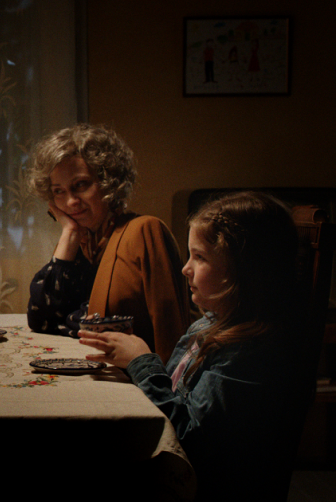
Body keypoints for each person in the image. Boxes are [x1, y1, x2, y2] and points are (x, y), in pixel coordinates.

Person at [78, 191, 316, 500]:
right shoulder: (206, 326)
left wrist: (142, 362)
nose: (185, 268)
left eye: (200, 257)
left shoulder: (248, 350)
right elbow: (176, 398)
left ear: (245, 271)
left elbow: (190, 439)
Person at [26, 124, 189, 363]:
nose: (70, 202)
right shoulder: (79, 244)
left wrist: (162, 387)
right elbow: (41, 321)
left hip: (139, 378)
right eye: (58, 191)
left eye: (80, 185)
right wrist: (69, 234)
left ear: (108, 182)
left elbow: (172, 335)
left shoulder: (144, 231)